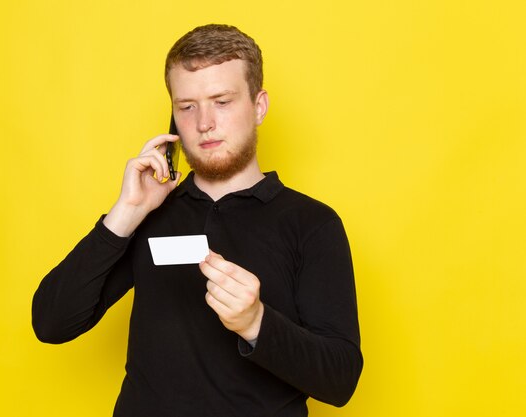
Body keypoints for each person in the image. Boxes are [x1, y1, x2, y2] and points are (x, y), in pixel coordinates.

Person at [32, 24, 363, 417]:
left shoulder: (312, 224)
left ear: (259, 106)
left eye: (222, 101)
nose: (204, 123)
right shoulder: (148, 215)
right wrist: (125, 214)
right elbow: (52, 323)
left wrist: (256, 323)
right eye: (187, 106)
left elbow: (341, 380)